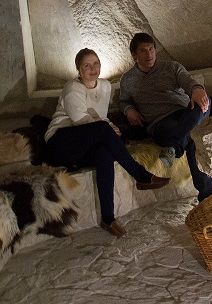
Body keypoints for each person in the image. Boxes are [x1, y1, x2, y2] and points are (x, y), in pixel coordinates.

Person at [45, 48, 170, 237]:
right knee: (104, 130)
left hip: (85, 145)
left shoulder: (104, 86)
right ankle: (140, 175)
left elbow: (100, 117)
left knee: (104, 153)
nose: (92, 68)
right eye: (87, 65)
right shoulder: (72, 88)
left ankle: (108, 218)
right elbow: (81, 120)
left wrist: (111, 127)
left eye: (95, 63)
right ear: (79, 70)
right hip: (60, 143)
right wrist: (107, 129)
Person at [119, 33, 212, 202]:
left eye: (151, 49)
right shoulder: (128, 79)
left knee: (204, 101)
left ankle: (174, 147)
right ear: (134, 55)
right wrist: (129, 110)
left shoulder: (171, 67)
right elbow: (123, 101)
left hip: (186, 113)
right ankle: (208, 196)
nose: (149, 54)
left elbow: (188, 82)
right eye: (143, 51)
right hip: (161, 123)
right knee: (193, 139)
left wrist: (197, 89)